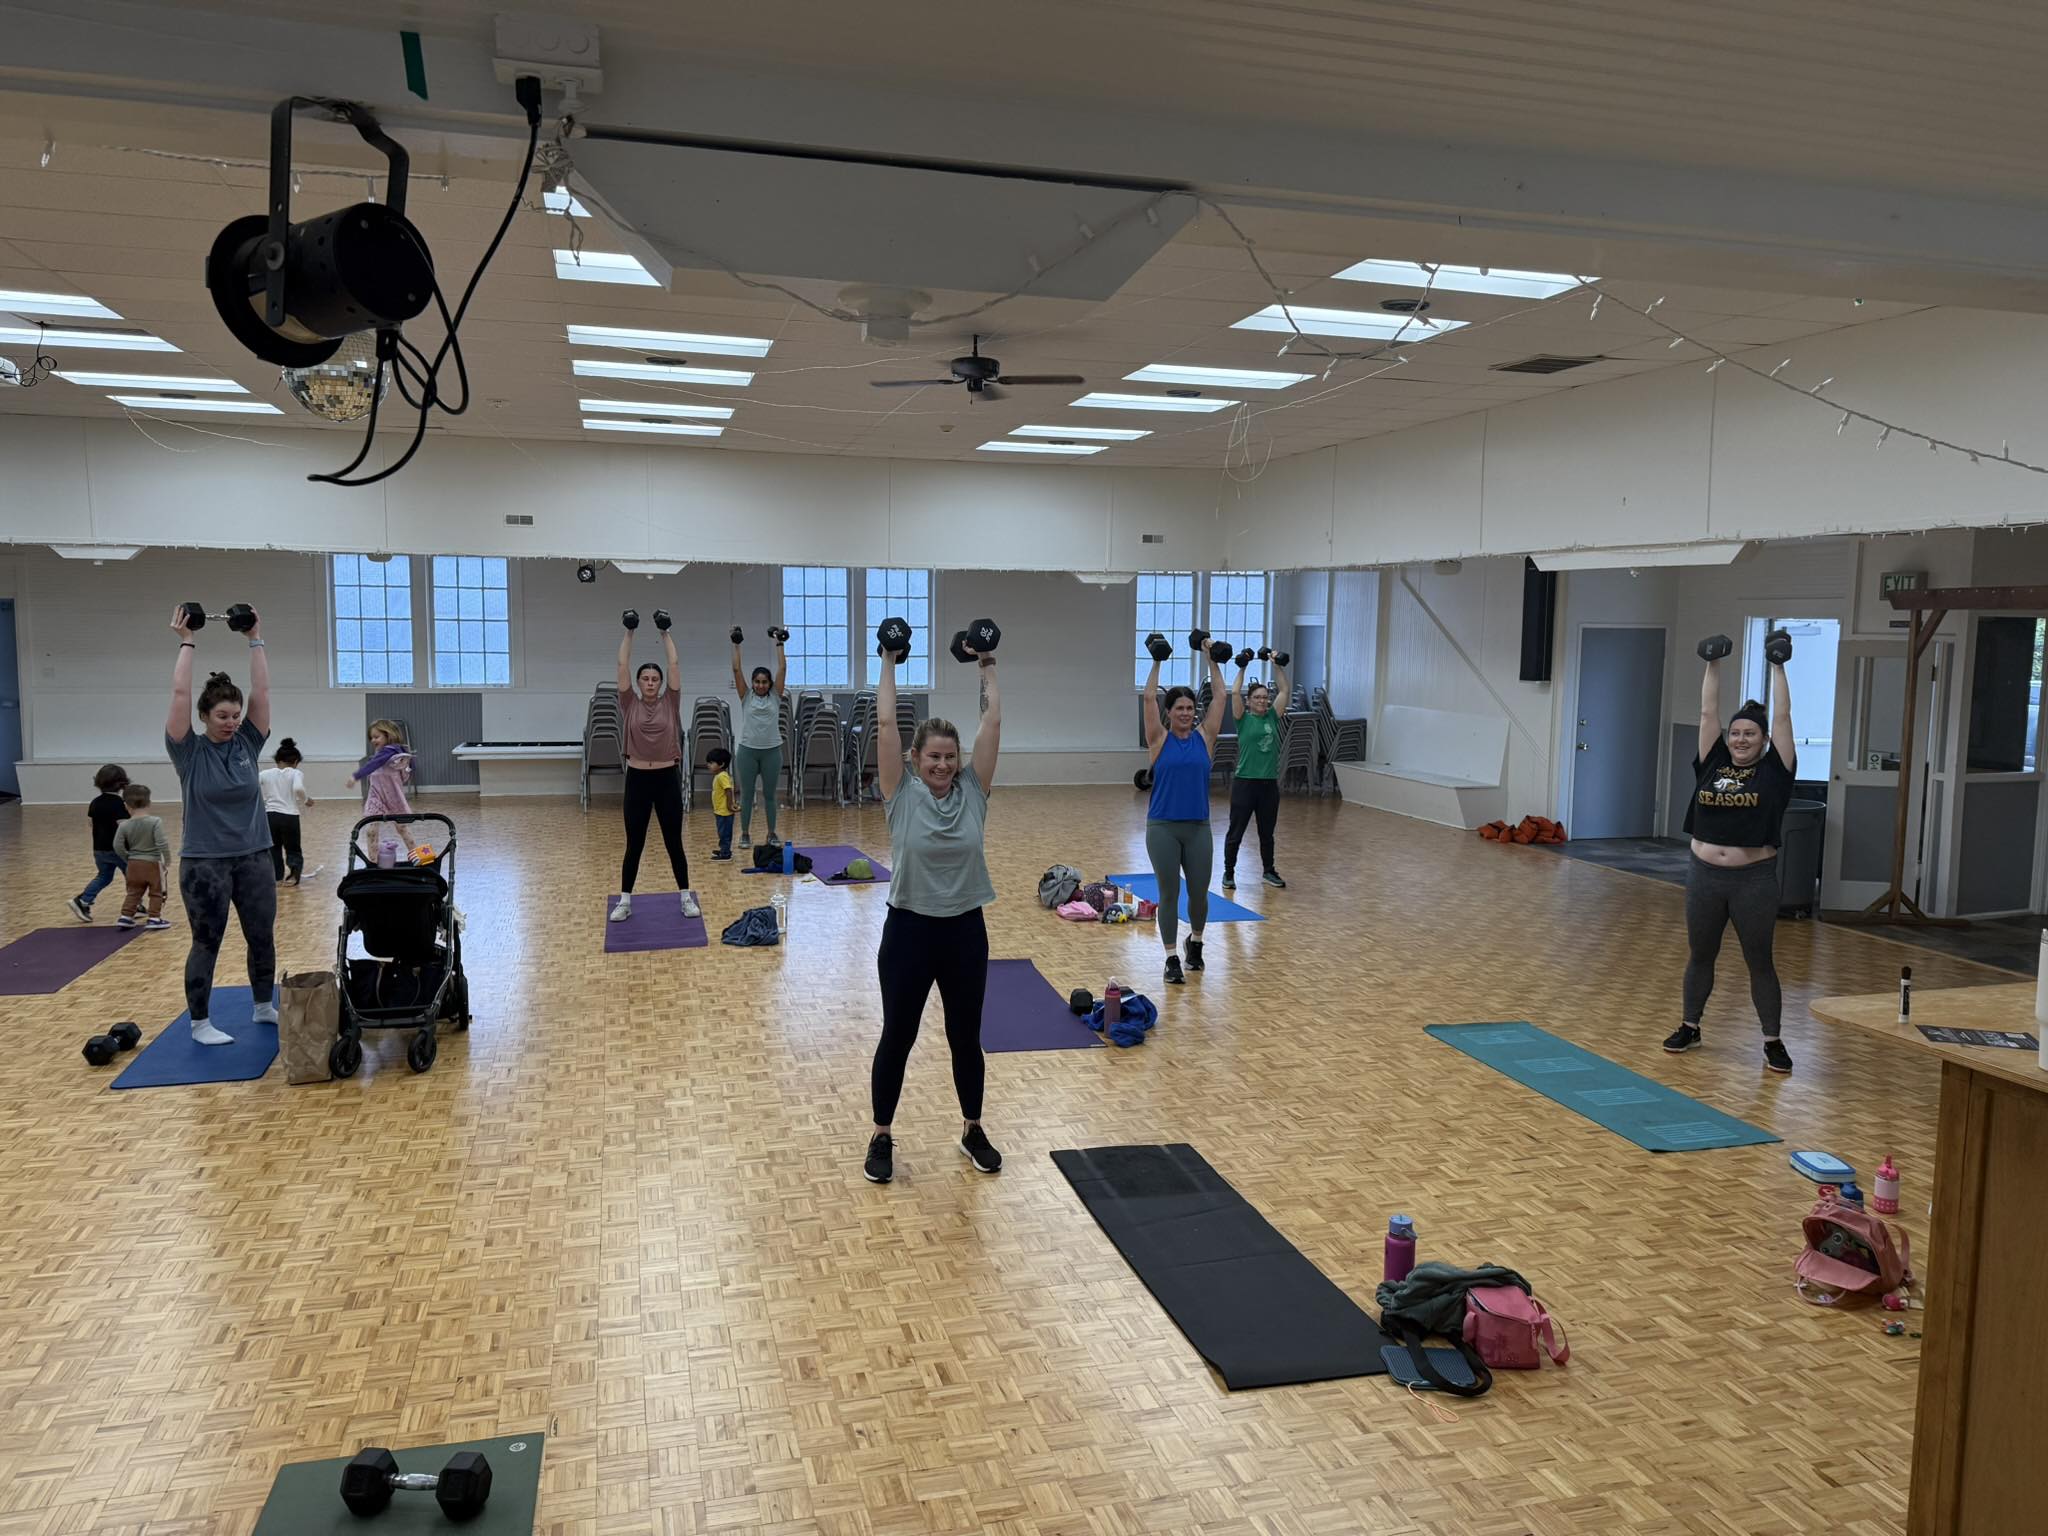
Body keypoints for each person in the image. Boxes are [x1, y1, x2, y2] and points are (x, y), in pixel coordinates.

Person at [864, 629, 1002, 1185]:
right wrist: (889, 660)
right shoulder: (900, 793)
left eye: (950, 757)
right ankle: (880, 1134)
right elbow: (886, 724)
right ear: (916, 758)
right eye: (933, 757)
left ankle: (972, 1128)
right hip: (910, 933)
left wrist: (987, 664)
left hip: (965, 931)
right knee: (898, 1034)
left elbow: (992, 722)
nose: (942, 765)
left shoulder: (975, 791)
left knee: (965, 1037)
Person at [1666, 632, 1799, 1074]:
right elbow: (1707, 711)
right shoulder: (1712, 762)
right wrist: (1713, 664)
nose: (1741, 739)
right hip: (1703, 874)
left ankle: (1773, 1041)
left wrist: (1778, 667)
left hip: (1753, 881)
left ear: (1763, 740)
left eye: (1750, 734)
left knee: (1759, 960)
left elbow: (1783, 715)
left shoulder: (1775, 773)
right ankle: (1690, 1026)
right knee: (1700, 954)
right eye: (1736, 732)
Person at [165, 604, 276, 1046]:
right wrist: (187, 641)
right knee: (206, 942)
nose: (231, 723)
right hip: (205, 864)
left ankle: (264, 1006)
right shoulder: (188, 751)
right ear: (204, 718)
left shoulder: (249, 741)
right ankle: (200, 1023)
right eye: (222, 717)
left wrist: (255, 636)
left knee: (261, 937)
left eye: (235, 716)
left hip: (254, 857)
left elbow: (262, 690)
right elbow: (178, 695)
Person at [1142, 643, 1228, 985]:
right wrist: (1157, 662)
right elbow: (1149, 697)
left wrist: (1212, 659)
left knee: (1199, 893)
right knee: (1168, 894)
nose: (1186, 713)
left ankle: (1196, 942)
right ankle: (1171, 958)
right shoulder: (1158, 740)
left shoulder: (1205, 738)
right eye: (1179, 708)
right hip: (1162, 827)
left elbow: (1220, 695)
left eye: (1190, 708)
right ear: (1169, 712)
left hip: (1198, 828)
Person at [610, 620, 696, 921]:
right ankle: (625, 901)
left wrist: (665, 632)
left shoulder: (671, 703)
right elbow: (622, 664)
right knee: (635, 843)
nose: (649, 682)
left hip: (666, 779)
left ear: (661, 684)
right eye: (645, 678)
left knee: (674, 841)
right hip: (637, 780)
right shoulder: (628, 702)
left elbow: (674, 663)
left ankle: (685, 896)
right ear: (638, 683)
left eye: (654, 679)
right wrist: (629, 631)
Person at [1222, 651, 1290, 892]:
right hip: (1245, 783)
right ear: (1249, 701)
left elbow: (1284, 691)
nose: (1263, 700)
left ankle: (1268, 871)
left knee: (1267, 833)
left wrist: (1276, 665)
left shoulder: (1273, 717)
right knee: (1236, 832)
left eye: (1265, 697)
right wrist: (1242, 668)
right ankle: (1228, 873)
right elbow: (1234, 692)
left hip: (1268, 785)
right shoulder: (1242, 718)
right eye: (1258, 698)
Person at [729, 628, 787, 849]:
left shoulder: (775, 696)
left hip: (772, 751)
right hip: (747, 751)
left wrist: (779, 643)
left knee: (770, 795)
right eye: (757, 682)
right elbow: (736, 669)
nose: (761, 685)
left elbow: (782, 667)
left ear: (770, 684)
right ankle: (744, 834)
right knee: (747, 795)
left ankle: (771, 834)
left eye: (764, 682)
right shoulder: (745, 696)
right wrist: (736, 644)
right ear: (752, 683)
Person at [68, 763, 130, 922]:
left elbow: (91, 823)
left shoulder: (94, 802)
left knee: (104, 876)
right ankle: (134, 904)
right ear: (122, 783)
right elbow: (124, 826)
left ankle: (83, 900)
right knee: (133, 876)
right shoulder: (118, 804)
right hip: (118, 849)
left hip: (99, 849)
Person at [350, 719, 414, 860]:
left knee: (402, 828)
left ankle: (417, 856)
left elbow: (375, 764)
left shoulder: (390, 751)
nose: (373, 740)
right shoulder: (380, 752)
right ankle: (373, 861)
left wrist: (356, 776)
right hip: (376, 796)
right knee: (371, 830)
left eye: (376, 737)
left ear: (388, 735)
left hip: (393, 797)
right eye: (371, 737)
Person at [111, 782, 173, 930]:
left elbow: (117, 845)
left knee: (133, 892)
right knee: (156, 892)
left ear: (126, 805)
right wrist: (167, 859)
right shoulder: (155, 822)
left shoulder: (124, 825)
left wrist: (127, 858)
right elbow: (162, 842)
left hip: (133, 864)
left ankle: (126, 916)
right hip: (152, 863)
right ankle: (154, 918)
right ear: (149, 803)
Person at [260, 737, 314, 885]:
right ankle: (293, 876)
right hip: (289, 817)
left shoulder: (265, 773)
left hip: (270, 816)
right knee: (293, 848)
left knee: (273, 848)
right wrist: (306, 799)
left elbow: (254, 788)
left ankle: (276, 877)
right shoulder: (295, 773)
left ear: (277, 760)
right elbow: (298, 788)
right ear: (296, 761)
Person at [707, 747, 737, 860]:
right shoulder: (719, 776)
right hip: (720, 811)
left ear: (721, 764)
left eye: (711, 763)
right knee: (722, 832)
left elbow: (728, 790)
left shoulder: (722, 776)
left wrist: (729, 805)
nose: (708, 765)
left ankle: (725, 854)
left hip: (725, 812)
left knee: (724, 833)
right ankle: (724, 849)